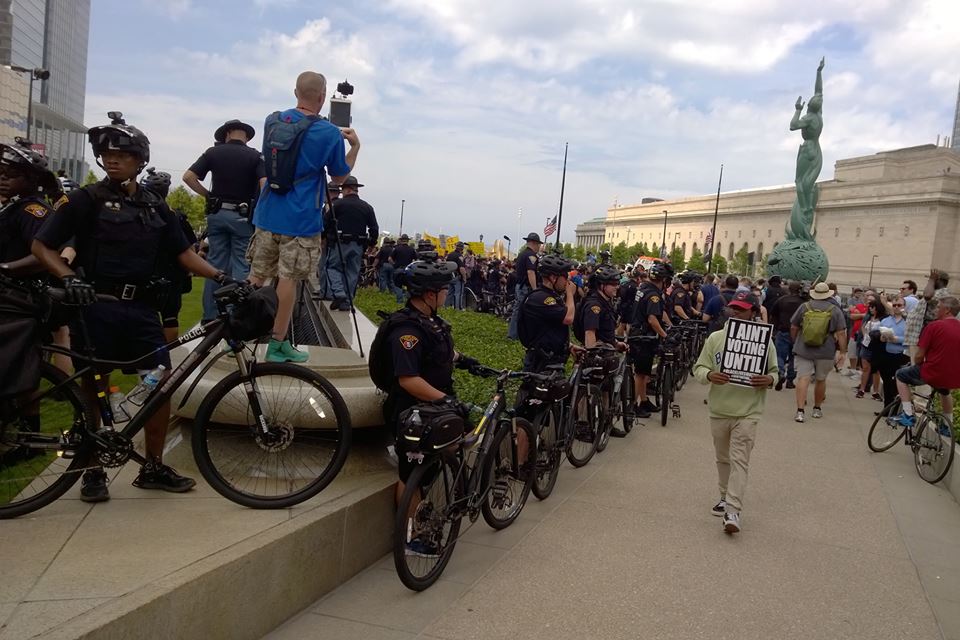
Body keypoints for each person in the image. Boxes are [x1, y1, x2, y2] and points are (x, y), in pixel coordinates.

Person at [31, 112, 229, 502]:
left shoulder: (157, 208)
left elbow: (184, 254)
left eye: (121, 154)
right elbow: (41, 246)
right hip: (96, 310)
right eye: (105, 154)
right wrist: (70, 279)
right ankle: (91, 471)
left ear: (140, 160)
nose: (111, 159)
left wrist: (223, 277)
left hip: (141, 313)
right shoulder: (85, 199)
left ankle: (152, 466)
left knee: (160, 385)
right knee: (95, 390)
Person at [248, 71, 359, 362]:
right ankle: (278, 344)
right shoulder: (328, 132)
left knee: (256, 275)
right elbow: (338, 176)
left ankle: (235, 332)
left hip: (267, 212)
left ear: (295, 92)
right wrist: (355, 147)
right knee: (289, 279)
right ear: (322, 98)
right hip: (301, 220)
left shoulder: (272, 121)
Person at [382, 257, 481, 555]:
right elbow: (409, 380)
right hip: (413, 411)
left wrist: (464, 361)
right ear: (428, 295)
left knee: (445, 456)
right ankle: (412, 537)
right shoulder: (406, 332)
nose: (447, 293)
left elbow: (439, 349)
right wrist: (445, 399)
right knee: (412, 474)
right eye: (443, 289)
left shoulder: (429, 320)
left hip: (434, 408)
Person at [693, 291, 778, 534]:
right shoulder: (716, 338)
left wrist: (769, 379)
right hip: (720, 409)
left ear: (754, 311)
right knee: (723, 458)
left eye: (742, 308)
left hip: (749, 412)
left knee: (740, 460)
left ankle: (733, 510)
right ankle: (724, 496)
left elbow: (776, 371)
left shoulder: (765, 342)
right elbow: (699, 368)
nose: (736, 312)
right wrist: (709, 375)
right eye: (734, 308)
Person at [183, 119, 266, 323]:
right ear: (246, 136)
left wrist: (208, 195)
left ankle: (210, 316)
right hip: (242, 216)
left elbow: (188, 177)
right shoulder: (255, 156)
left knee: (214, 265)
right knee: (241, 266)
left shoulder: (213, 153)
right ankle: (235, 315)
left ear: (227, 134)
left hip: (217, 214)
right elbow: (264, 185)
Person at [140, 168, 199, 342]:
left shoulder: (143, 214)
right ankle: (166, 355)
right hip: (173, 275)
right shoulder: (177, 216)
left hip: (151, 273)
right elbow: (190, 246)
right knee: (170, 318)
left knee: (147, 316)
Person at [893, 296, 960, 428]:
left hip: (932, 372)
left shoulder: (934, 326)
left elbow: (919, 356)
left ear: (947, 310)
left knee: (900, 375)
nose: (935, 310)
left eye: (938, 307)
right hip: (953, 375)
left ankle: (907, 414)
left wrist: (917, 363)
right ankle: (947, 425)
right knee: (945, 391)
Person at [789, 282, 848, 423]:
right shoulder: (835, 310)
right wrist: (843, 352)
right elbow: (841, 333)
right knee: (821, 380)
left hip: (804, 349)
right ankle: (816, 409)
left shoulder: (805, 306)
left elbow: (793, 326)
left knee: (803, 378)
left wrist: (796, 341)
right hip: (825, 350)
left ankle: (800, 411)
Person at [0, 138, 60, 274]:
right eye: (0, 171)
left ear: (32, 179)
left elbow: (47, 254)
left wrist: (6, 268)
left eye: (11, 173)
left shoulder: (32, 210)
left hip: (18, 290)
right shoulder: (12, 205)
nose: (3, 177)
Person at [629, 262, 673, 418]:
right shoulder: (654, 295)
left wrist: (670, 325)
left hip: (638, 333)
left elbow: (660, 313)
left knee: (644, 372)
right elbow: (653, 319)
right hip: (643, 337)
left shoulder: (643, 288)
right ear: (663, 280)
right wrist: (665, 335)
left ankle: (644, 400)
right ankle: (633, 406)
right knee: (640, 374)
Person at [517, 254, 576, 372]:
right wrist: (570, 294)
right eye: (565, 276)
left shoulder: (550, 296)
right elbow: (568, 318)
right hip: (541, 363)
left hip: (552, 360)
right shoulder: (542, 298)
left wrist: (569, 346)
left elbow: (548, 329)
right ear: (553, 278)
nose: (567, 281)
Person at [325, 175, 377, 311]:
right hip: (359, 244)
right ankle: (346, 302)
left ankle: (339, 293)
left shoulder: (338, 204)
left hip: (340, 243)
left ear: (346, 190)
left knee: (332, 267)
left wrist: (325, 237)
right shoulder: (367, 207)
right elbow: (374, 228)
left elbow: (325, 222)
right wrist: (372, 244)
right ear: (356, 189)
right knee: (352, 272)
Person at [903, 269, 951, 364]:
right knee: (914, 365)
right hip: (916, 335)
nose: (929, 281)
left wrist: (932, 280)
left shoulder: (942, 293)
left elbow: (927, 295)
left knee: (916, 366)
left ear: (938, 280)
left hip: (922, 334)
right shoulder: (936, 292)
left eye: (931, 279)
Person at [769, 280, 805, 391]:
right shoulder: (803, 303)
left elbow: (773, 314)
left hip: (783, 330)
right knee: (794, 356)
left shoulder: (782, 300)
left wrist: (774, 329)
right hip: (799, 333)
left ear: (789, 289)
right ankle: (790, 380)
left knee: (780, 355)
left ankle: (780, 372)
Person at [875, 295, 909, 409]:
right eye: (894, 305)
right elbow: (879, 335)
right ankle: (886, 408)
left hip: (900, 355)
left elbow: (910, 340)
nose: (896, 307)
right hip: (886, 353)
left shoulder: (908, 322)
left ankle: (895, 409)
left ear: (904, 306)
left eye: (899, 305)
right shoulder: (886, 320)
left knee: (897, 383)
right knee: (886, 381)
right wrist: (882, 337)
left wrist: (897, 339)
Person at [507, 232, 542, 340]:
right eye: (538, 244)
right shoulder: (531, 256)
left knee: (519, 310)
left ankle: (515, 334)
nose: (539, 247)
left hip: (520, 285)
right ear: (534, 243)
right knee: (521, 311)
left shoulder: (522, 254)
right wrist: (535, 288)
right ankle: (514, 335)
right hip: (525, 287)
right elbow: (530, 272)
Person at [855, 296, 885, 400]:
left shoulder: (883, 319)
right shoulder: (868, 317)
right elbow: (862, 327)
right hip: (866, 345)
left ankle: (875, 391)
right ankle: (862, 389)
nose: (871, 309)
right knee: (866, 368)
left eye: (873, 307)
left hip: (876, 347)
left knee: (876, 370)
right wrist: (865, 335)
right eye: (870, 307)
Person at [390, 234, 416, 304]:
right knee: (409, 286)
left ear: (401, 240)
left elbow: (389, 259)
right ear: (408, 240)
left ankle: (399, 301)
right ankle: (408, 301)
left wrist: (394, 265)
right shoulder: (412, 249)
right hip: (408, 270)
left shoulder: (397, 249)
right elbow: (416, 260)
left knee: (398, 285)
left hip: (399, 269)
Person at [445, 241, 466, 310]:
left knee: (449, 293)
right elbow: (462, 268)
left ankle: (446, 307)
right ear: (462, 248)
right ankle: (458, 308)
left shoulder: (450, 254)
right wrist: (464, 278)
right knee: (458, 293)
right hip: (457, 277)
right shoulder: (460, 256)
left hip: (450, 276)